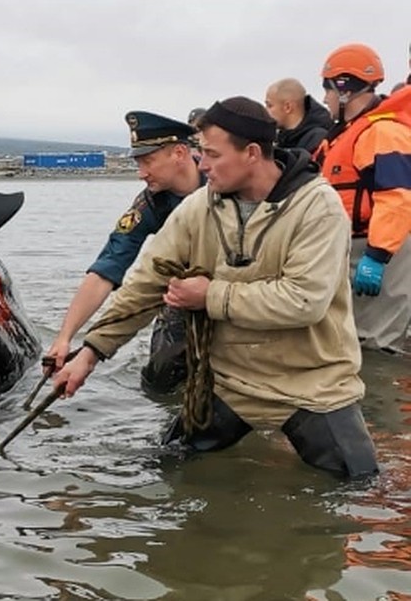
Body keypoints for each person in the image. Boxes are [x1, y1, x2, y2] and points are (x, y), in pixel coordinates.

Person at [53, 96, 379, 480]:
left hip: (313, 383)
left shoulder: (319, 208)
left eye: (211, 154)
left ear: (252, 153)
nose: (202, 165)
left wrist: (209, 296)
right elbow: (145, 283)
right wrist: (90, 353)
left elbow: (304, 302)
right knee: (163, 468)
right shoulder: (198, 206)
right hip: (231, 383)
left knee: (360, 487)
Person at [44, 111, 203, 394]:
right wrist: (65, 338)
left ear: (179, 153)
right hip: (179, 295)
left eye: (148, 160)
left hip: (233, 292)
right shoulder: (150, 206)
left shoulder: (224, 180)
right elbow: (108, 266)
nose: (141, 173)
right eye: (137, 162)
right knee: (160, 383)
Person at [318, 43, 411, 353]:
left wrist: (378, 255)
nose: (325, 98)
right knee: (355, 339)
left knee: (376, 343)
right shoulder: (348, 134)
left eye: (328, 89)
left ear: (345, 89)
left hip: (381, 250)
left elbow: (397, 198)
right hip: (356, 246)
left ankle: (381, 401)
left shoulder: (382, 132)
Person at [264, 77, 333, 155]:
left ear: (288, 107)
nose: (265, 111)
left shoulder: (317, 139)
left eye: (269, 105)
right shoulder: (282, 139)